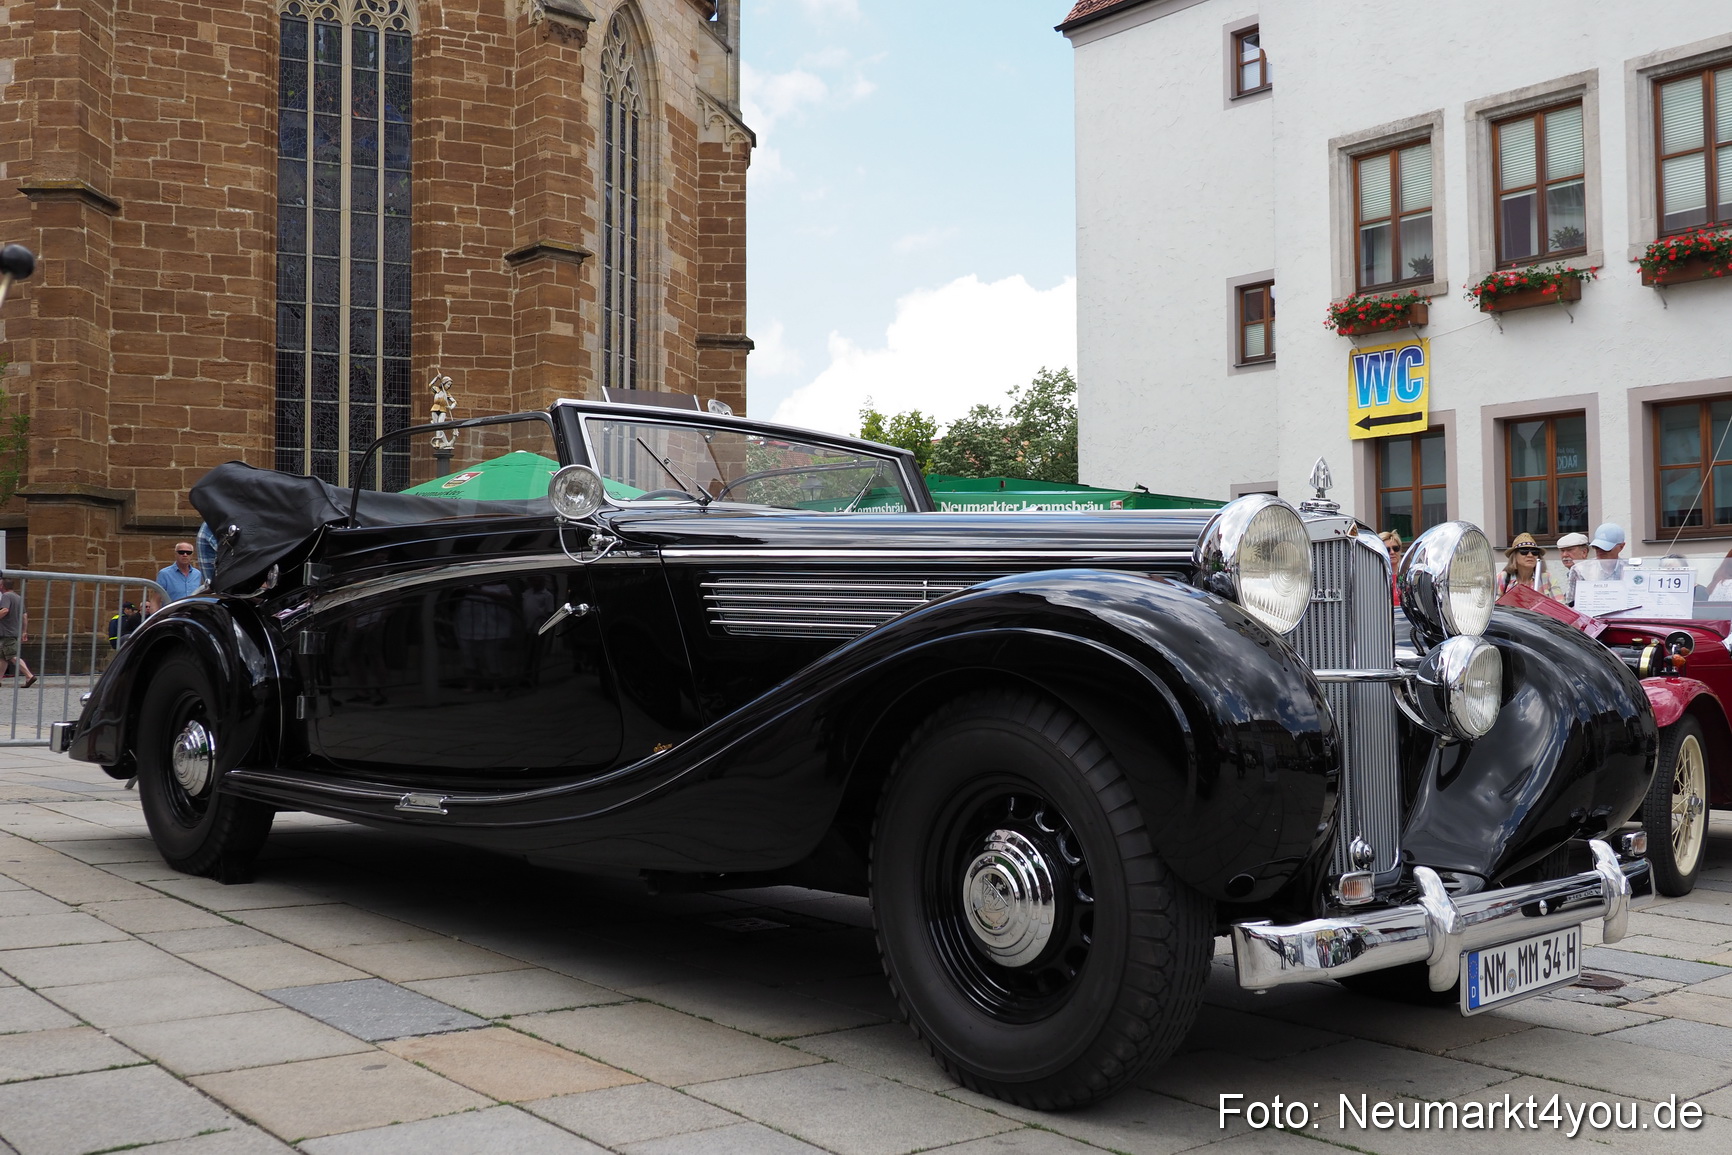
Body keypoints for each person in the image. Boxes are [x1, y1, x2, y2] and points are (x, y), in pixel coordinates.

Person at [1497, 533, 1565, 599]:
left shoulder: (1546, 578)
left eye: (1534, 552)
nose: (1530, 555)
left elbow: (1560, 606)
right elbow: (1491, 606)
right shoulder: (1503, 578)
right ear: (1514, 556)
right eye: (1524, 551)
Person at [0, 577, 36, 688]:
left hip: (6, 632)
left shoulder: (6, 596)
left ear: (3, 586)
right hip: (14, 631)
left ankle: (29, 676)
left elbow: (5, 610)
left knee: (11, 656)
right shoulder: (18, 597)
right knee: (3, 657)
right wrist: (24, 631)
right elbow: (24, 616)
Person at [1379, 530, 1404, 603]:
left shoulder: (1406, 576)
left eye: (1395, 548)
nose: (1392, 552)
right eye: (1387, 550)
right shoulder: (1375, 578)